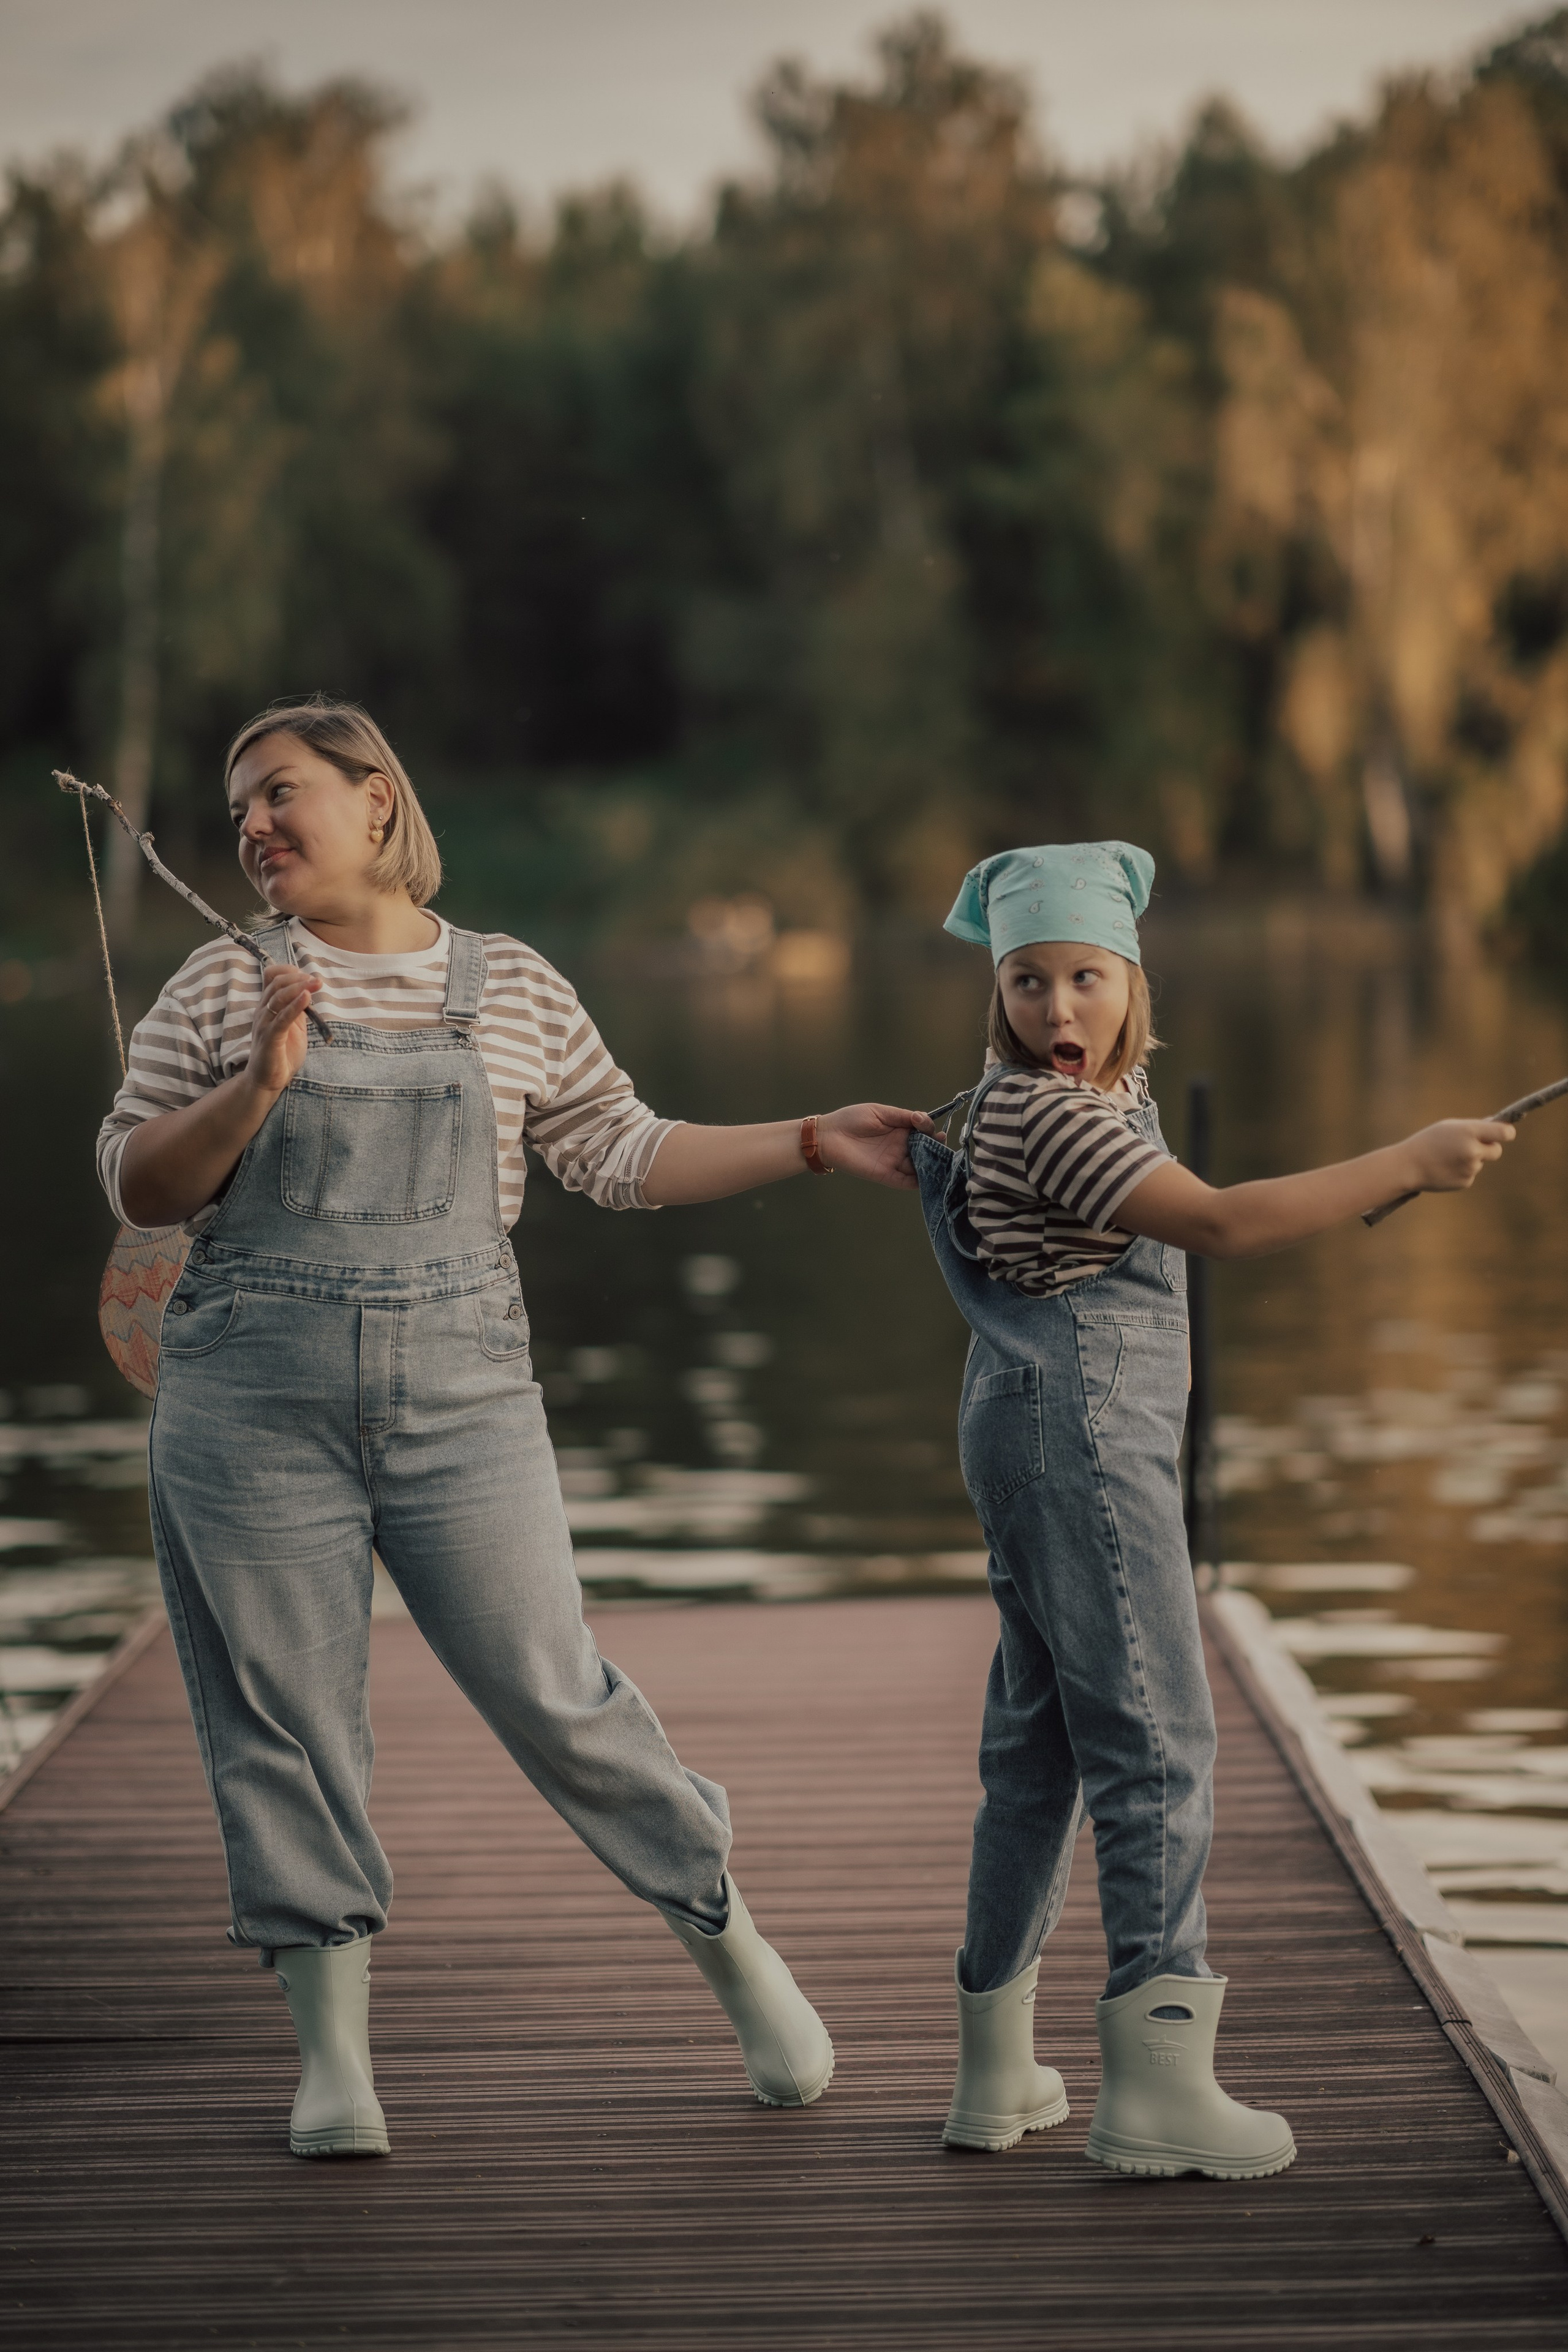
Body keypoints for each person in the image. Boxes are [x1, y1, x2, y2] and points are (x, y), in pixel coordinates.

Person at [96, 695, 932, 2159]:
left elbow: (622, 1152)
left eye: (280, 791)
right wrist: (255, 1086)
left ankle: (734, 1949)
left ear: (373, 799)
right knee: (283, 1724)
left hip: (464, 1399)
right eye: (238, 811)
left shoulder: (516, 985)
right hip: (246, 1398)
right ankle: (335, 2064)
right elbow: (137, 1189)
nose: (253, 826)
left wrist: (807, 1138)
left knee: (559, 1691)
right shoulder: (221, 988)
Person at [909, 840, 1514, 2179]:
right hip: (1077, 1442)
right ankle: (1158, 2090)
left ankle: (993, 2072)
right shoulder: (1054, 1116)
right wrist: (1407, 1161)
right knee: (1157, 1742)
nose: (1053, 1011)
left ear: (1131, 983)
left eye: (1080, 978)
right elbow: (1227, 1226)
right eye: (1024, 983)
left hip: (1023, 1436)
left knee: (1043, 1751)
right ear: (994, 994)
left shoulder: (1048, 1103)